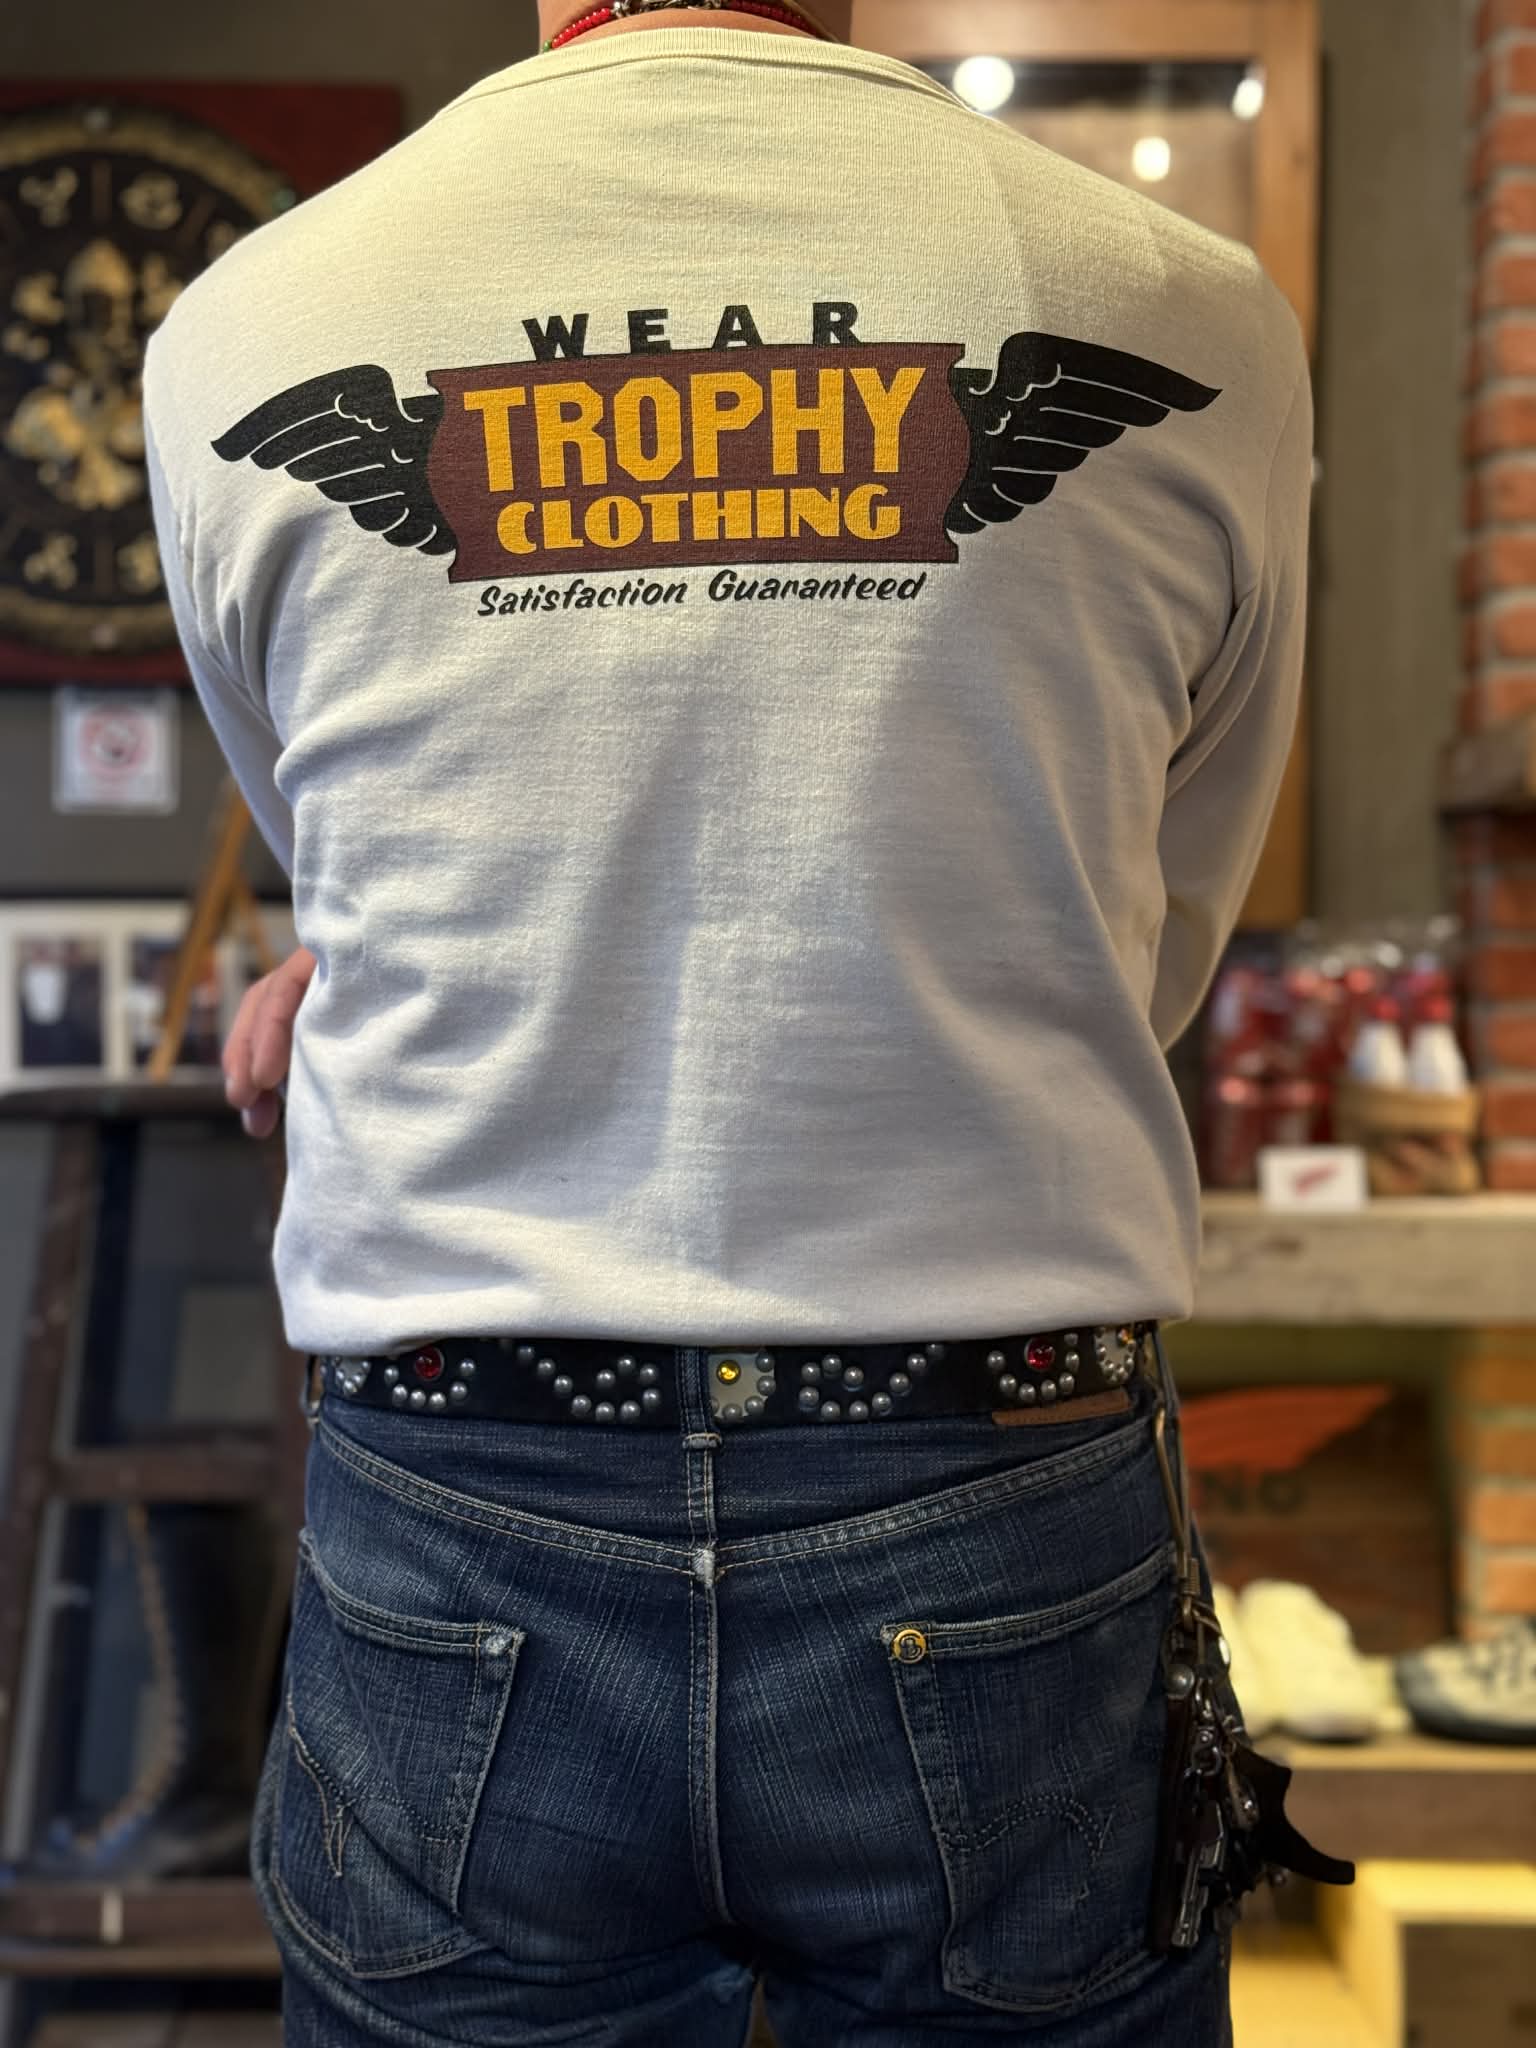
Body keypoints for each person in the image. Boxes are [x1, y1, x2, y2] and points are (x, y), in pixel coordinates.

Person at [142, 1, 1314, 2040]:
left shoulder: (253, 324)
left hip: (468, 1478)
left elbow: (354, 831)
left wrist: (488, 961)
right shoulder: (1187, 306)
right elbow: (1145, 922)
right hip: (992, 1466)